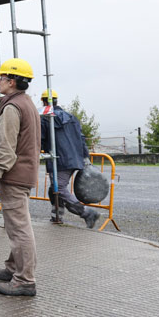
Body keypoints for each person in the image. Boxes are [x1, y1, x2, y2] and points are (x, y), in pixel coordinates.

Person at [0, 58, 41, 297]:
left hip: (13, 176)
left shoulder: (11, 107)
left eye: (2, 78)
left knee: (19, 229)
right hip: (23, 173)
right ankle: (13, 267)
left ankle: (25, 280)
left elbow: (6, 145)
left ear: (13, 81)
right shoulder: (26, 103)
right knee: (17, 225)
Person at [39, 89, 100, 228]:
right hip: (75, 158)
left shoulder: (46, 119)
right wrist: (85, 157)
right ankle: (57, 215)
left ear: (43, 102)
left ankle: (86, 213)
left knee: (58, 188)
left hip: (59, 160)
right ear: (56, 100)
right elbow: (81, 138)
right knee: (53, 189)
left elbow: (40, 139)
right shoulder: (71, 117)